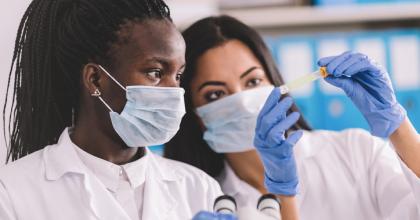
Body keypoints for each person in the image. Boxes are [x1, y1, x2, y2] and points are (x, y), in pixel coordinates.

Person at [165, 15, 420, 219]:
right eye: (214, 95)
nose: (242, 100)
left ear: (276, 83)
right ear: (194, 113)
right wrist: (284, 195)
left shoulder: (355, 152)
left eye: (253, 81)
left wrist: (398, 126)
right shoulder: (206, 201)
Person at [0, 1, 224, 219]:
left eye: (178, 76)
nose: (174, 91)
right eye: (155, 73)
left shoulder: (199, 189)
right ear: (95, 79)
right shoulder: (11, 193)